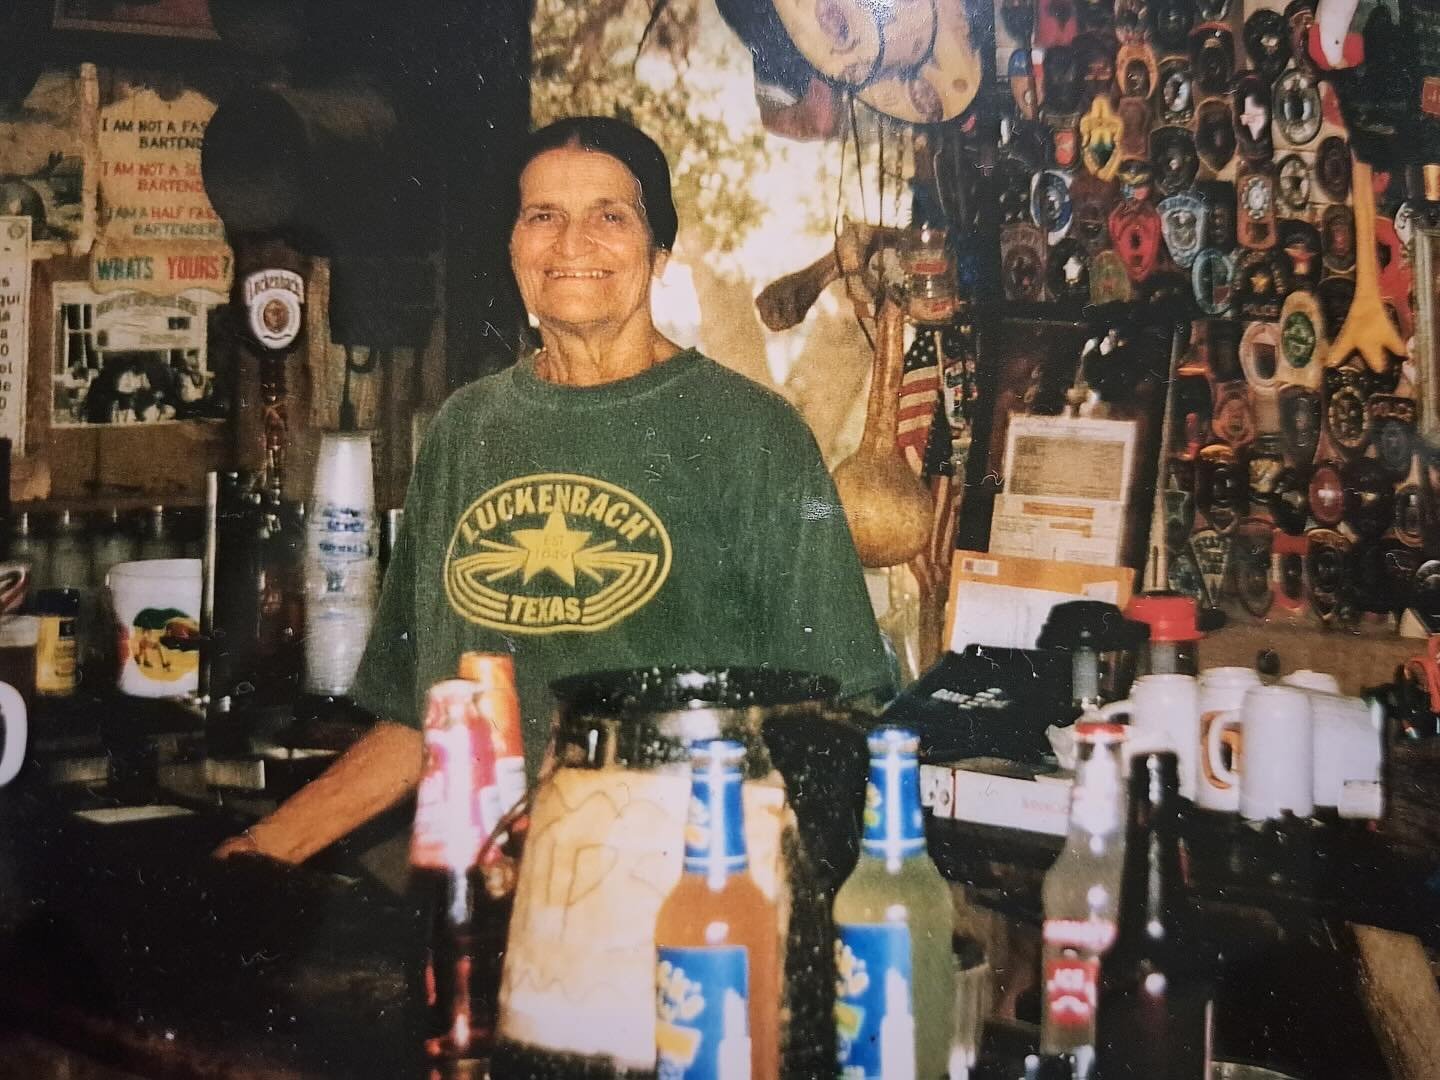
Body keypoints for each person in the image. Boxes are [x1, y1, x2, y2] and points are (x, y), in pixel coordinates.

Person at [216, 115, 890, 866]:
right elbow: (421, 720)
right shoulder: (465, 433)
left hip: (680, 910)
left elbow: (838, 719)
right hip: (493, 901)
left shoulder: (750, 435)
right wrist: (262, 846)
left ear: (659, 250)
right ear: (512, 246)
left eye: (610, 216)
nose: (572, 243)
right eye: (543, 216)